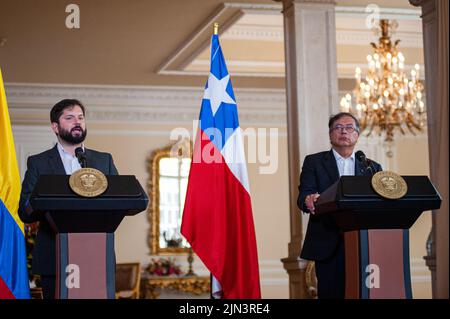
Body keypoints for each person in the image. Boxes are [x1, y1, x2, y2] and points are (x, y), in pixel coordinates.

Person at [18, 99, 118, 299]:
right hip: (54, 256)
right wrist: (44, 201)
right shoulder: (38, 163)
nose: (77, 122)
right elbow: (25, 210)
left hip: (96, 255)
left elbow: (119, 199)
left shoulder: (103, 160)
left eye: (81, 117)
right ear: (55, 126)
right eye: (69, 118)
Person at [298, 112, 382, 299]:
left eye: (349, 127)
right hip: (328, 243)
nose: (344, 131)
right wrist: (308, 199)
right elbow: (303, 195)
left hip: (363, 243)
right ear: (330, 135)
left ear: (357, 135)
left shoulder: (371, 167)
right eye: (338, 127)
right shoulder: (314, 162)